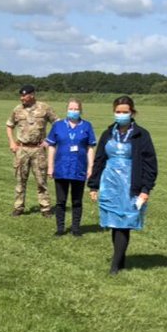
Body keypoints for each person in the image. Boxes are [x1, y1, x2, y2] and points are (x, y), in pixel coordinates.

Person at [88, 96, 158, 275]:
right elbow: (99, 160)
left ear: (132, 113)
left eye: (125, 112)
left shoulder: (141, 135)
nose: (121, 115)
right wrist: (94, 185)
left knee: (124, 223)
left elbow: (150, 164)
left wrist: (145, 189)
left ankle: (115, 266)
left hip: (130, 185)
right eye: (118, 112)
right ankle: (120, 259)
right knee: (114, 223)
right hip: (110, 183)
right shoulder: (107, 134)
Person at [45, 98, 96, 237]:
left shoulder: (87, 126)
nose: (73, 111)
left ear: (80, 110)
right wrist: (50, 167)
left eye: (76, 109)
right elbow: (51, 147)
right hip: (61, 168)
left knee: (77, 201)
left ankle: (76, 228)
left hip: (79, 168)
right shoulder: (58, 125)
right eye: (71, 109)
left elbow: (90, 147)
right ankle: (60, 228)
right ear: (67, 110)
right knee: (60, 201)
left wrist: (90, 167)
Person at [6, 84, 58, 216]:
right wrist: (12, 142)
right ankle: (18, 207)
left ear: (32, 95)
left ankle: (45, 208)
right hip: (22, 149)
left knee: (41, 181)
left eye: (24, 95)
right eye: (21, 95)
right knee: (20, 180)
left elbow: (57, 124)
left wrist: (49, 140)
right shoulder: (17, 109)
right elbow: (9, 125)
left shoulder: (44, 108)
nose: (22, 98)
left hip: (38, 150)